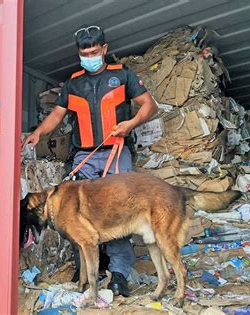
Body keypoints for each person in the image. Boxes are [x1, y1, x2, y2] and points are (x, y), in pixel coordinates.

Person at [22, 25, 158, 297]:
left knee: (119, 213)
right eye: (84, 53)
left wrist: (130, 124)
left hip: (116, 152)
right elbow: (57, 116)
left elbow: (149, 105)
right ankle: (85, 271)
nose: (89, 56)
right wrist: (38, 132)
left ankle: (118, 274)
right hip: (84, 156)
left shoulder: (122, 75)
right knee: (72, 217)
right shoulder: (73, 83)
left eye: (94, 52)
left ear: (104, 50)